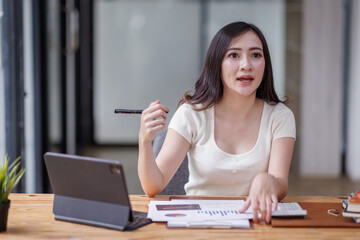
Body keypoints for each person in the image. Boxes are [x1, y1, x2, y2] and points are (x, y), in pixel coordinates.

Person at [137, 21, 295, 224]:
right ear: (217, 63)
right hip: (197, 225)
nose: (246, 65)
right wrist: (144, 140)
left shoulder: (280, 116)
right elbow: (153, 186)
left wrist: (268, 181)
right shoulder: (192, 114)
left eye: (256, 55)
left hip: (256, 224)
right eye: (234, 55)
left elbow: (281, 184)